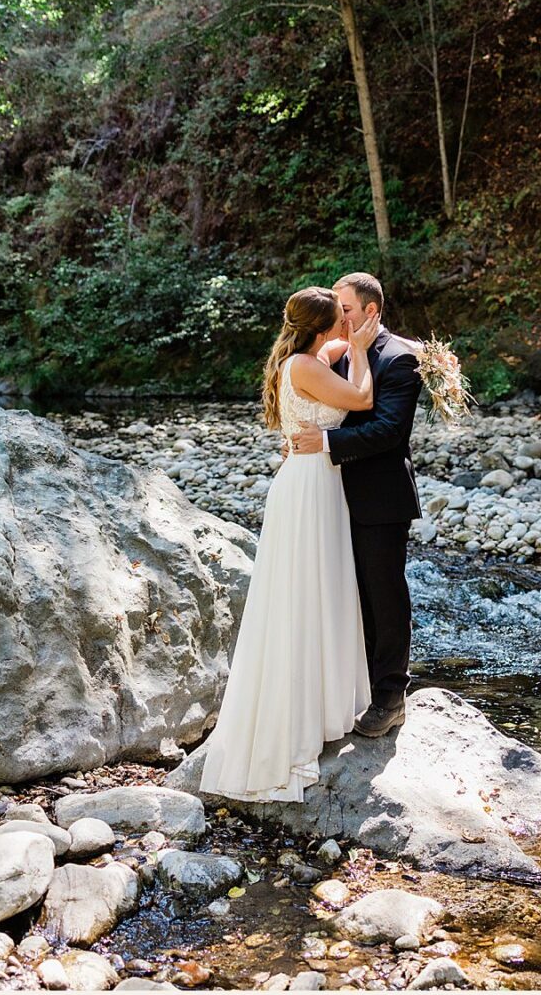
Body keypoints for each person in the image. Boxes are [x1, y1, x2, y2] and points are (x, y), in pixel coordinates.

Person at [197, 285, 382, 802]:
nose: (349, 322)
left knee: (320, 593)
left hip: (315, 484)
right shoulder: (304, 366)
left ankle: (322, 708)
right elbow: (363, 397)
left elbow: (341, 350)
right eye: (341, 316)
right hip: (309, 488)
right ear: (325, 325)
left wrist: (386, 341)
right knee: (304, 597)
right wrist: (364, 350)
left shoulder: (310, 355)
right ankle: (295, 722)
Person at [288, 272, 422, 738]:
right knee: (347, 596)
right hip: (329, 497)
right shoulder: (340, 351)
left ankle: (390, 697)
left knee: (383, 596)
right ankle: (356, 691)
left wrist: (323, 440)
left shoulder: (400, 359)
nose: (336, 317)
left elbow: (389, 432)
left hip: (379, 497)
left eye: (344, 309)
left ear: (370, 312)